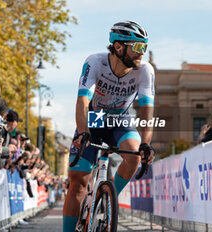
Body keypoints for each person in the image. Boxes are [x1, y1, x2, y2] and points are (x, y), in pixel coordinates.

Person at [63, 20, 155, 231]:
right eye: (138, 47)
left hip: (119, 119)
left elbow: (146, 110)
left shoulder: (144, 70)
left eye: (145, 47)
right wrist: (83, 131)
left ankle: (107, 198)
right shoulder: (95, 62)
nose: (142, 53)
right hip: (93, 118)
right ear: (118, 46)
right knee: (78, 183)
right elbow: (83, 100)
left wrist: (146, 143)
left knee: (134, 155)